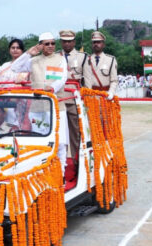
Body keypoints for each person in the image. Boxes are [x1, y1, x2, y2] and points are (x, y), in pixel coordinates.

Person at [11, 32, 69, 175]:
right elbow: (15, 68)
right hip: (37, 108)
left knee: (60, 141)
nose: (50, 46)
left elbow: (62, 78)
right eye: (46, 43)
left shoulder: (60, 59)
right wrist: (28, 54)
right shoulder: (33, 61)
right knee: (40, 139)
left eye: (52, 43)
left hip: (56, 106)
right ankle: (42, 170)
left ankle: (60, 172)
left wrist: (52, 88)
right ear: (40, 45)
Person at [59, 29, 88, 163]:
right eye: (64, 41)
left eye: (69, 41)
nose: (67, 44)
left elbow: (87, 80)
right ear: (61, 42)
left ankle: (77, 163)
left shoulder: (82, 57)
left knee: (75, 133)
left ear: (74, 42)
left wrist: (86, 99)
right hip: (58, 99)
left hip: (73, 99)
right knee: (59, 134)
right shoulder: (55, 57)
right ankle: (61, 163)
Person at [83, 31, 118, 100]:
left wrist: (111, 92)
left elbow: (114, 80)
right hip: (90, 97)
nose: (96, 44)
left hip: (105, 96)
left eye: (98, 42)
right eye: (94, 42)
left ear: (103, 44)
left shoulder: (111, 60)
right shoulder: (86, 59)